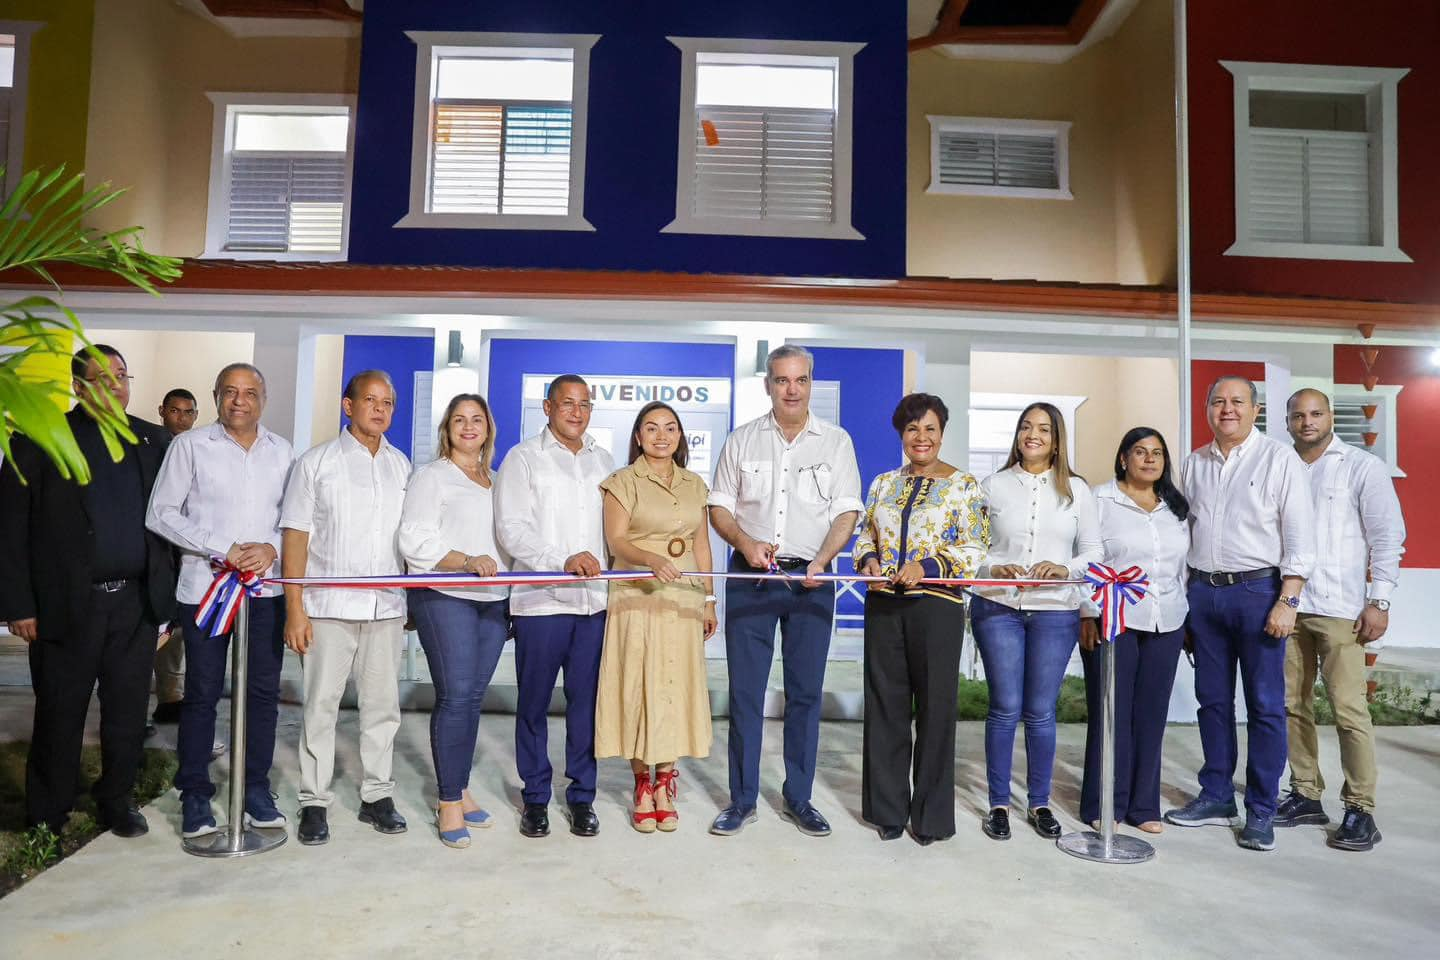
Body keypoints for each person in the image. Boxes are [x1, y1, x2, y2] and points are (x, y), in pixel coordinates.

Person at [0, 345, 175, 838]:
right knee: (60, 713)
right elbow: (9, 528)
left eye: (122, 375)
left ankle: (116, 801)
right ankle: (48, 812)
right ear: (77, 387)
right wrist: (18, 605)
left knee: (126, 713)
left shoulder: (155, 441)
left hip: (135, 606)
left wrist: (168, 608)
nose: (115, 385)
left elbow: (174, 524)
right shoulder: (40, 439)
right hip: (65, 605)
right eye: (102, 377)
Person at [707, 344, 863, 837]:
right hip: (751, 579)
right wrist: (744, 542)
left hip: (810, 583)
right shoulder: (742, 440)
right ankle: (741, 800)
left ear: (811, 383)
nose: (791, 390)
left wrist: (823, 559)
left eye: (800, 380)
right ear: (768, 385)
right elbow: (719, 507)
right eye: (782, 380)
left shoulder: (836, 442)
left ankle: (799, 798)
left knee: (805, 695)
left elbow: (847, 511)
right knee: (745, 695)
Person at [1165, 376, 1315, 852]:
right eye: (1218, 402)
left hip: (1259, 592)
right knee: (1211, 700)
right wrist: (1182, 599)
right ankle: (1216, 795)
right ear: (1208, 409)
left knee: (1265, 705)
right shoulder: (1194, 463)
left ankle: (1262, 809)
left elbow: (1300, 535)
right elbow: (1180, 532)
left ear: (1256, 410)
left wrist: (1288, 600)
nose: (1226, 409)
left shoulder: (1279, 459)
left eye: (1237, 401)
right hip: (1203, 594)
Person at [147, 361, 293, 839]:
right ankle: (195, 793)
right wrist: (220, 547)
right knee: (202, 694)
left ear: (263, 399)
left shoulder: (282, 452)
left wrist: (271, 547)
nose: (239, 400)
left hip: (265, 592)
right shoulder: (189, 446)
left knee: (262, 695)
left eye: (249, 392)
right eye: (230, 391)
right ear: (216, 396)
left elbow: (295, 518)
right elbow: (160, 513)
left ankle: (255, 789)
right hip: (206, 591)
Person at [280, 371, 411, 846]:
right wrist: (295, 609)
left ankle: (377, 794)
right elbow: (295, 536)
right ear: (348, 406)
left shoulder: (401, 466)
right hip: (327, 608)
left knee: (383, 707)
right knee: (320, 706)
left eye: (387, 402)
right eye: (370, 400)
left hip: (386, 608)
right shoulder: (316, 463)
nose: (379, 409)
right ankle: (314, 800)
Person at [853, 394, 989, 845]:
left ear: (942, 433)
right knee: (885, 708)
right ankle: (887, 811)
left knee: (935, 710)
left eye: (930, 428)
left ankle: (930, 817)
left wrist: (926, 566)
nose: (921, 437)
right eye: (912, 429)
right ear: (901, 434)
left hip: (937, 608)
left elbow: (975, 546)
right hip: (884, 605)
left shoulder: (964, 486)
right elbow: (865, 534)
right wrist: (869, 560)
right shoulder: (883, 484)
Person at [1276, 388, 1404, 852]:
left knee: (1349, 710)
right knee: (1292, 705)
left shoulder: (1361, 467)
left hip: (1342, 609)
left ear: (1330, 417)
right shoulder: (1280, 466)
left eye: (1316, 413)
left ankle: (1360, 809)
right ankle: (1306, 793)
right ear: (1287, 422)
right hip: (1289, 605)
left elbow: (1387, 536)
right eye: (1298, 415)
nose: (1307, 422)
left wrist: (1379, 601)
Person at [970, 402, 1101, 842]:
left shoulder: (1077, 491)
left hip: (1055, 611)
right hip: (998, 608)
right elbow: (972, 547)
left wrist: (1066, 569)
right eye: (1026, 427)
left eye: (1044, 429)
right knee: (1004, 707)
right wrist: (994, 567)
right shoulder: (992, 485)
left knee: (1041, 711)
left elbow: (1094, 552)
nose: (1033, 435)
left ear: (1056, 439)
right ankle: (998, 804)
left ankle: (1039, 802)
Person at [494, 375, 614, 839]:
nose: (577, 412)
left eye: (584, 404)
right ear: (548, 407)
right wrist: (560, 560)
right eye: (567, 403)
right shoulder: (523, 458)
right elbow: (512, 529)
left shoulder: (604, 461)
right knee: (534, 705)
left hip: (593, 605)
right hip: (540, 602)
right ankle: (536, 797)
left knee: (586, 706)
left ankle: (582, 797)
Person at [595, 401, 718, 833]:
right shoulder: (622, 482)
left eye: (670, 428)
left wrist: (708, 599)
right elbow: (615, 541)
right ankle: (641, 784)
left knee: (673, 686)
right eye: (651, 428)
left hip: (682, 596)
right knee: (639, 684)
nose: (661, 436)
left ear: (680, 436)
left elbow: (702, 545)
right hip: (637, 594)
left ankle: (665, 781)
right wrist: (649, 559)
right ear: (638, 436)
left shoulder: (694, 484)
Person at [399, 392, 511, 849]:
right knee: (456, 695)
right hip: (445, 596)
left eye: (476, 419)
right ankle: (447, 801)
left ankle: (460, 787)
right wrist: (465, 560)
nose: (468, 427)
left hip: (494, 599)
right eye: (459, 420)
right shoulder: (432, 477)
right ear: (447, 429)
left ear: (488, 428)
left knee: (473, 697)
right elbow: (413, 539)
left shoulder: (498, 480)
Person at [1077, 428, 1190, 834]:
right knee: (1111, 713)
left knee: (1151, 716)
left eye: (1157, 453)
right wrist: (1086, 613)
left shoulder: (1175, 507)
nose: (1149, 459)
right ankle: (1103, 802)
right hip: (1113, 619)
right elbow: (1084, 558)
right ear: (1123, 458)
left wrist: (1188, 618)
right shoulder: (1100, 500)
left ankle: (1143, 806)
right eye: (1140, 452)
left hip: (1167, 619)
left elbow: (1182, 567)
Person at [151, 387, 198, 727]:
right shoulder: (150, 449)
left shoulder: (201, 451)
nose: (181, 418)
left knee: (182, 633)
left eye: (188, 412)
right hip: (157, 553)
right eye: (174, 411)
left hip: (193, 555)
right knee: (159, 632)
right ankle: (162, 699)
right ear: (162, 411)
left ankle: (173, 698)